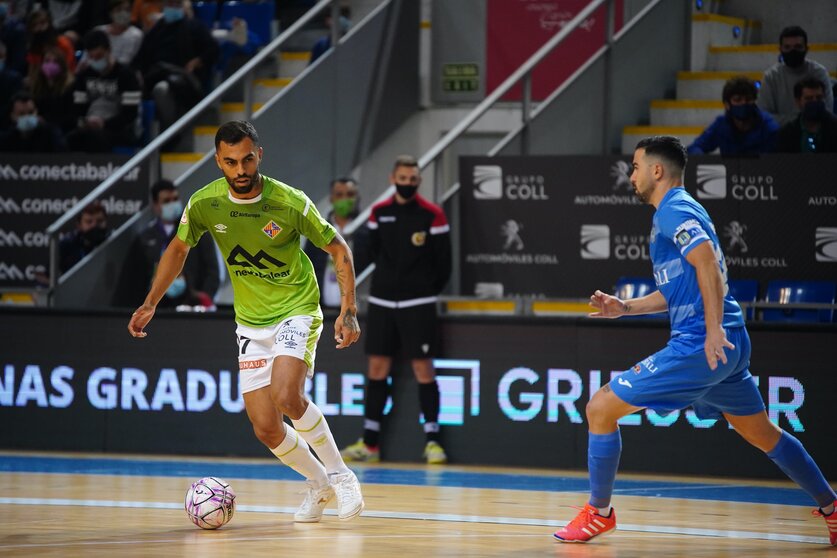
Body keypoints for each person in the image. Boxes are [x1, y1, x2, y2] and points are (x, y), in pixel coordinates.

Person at [553, 136, 837, 545]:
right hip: (729, 344)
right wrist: (625, 308)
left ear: (656, 170)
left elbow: (706, 262)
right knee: (763, 433)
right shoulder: (676, 212)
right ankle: (832, 507)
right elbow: (677, 289)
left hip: (703, 343)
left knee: (600, 408)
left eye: (634, 167)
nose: (630, 175)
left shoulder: (674, 210)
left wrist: (713, 328)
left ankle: (599, 512)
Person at [127, 120, 365, 523]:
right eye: (231, 162)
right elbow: (179, 248)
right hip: (251, 322)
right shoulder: (205, 203)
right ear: (218, 161)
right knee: (266, 428)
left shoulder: (289, 202)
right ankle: (319, 485)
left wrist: (348, 309)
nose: (241, 170)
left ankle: (342, 475)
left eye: (247, 159)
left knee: (288, 395)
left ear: (260, 155)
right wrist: (151, 301)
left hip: (296, 307)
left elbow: (339, 250)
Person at [341, 155, 452, 465]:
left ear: (419, 180)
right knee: (377, 369)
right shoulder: (379, 213)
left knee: (424, 370)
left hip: (419, 304)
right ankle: (370, 444)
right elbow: (368, 254)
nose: (407, 184)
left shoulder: (433, 215)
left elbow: (445, 264)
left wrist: (423, 290)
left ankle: (433, 442)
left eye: (412, 179)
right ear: (393, 179)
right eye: (402, 179)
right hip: (382, 303)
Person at [130, 179, 220, 308]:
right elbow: (136, 279)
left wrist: (204, 299)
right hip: (157, 308)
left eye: (175, 199)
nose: (172, 203)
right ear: (155, 206)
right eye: (166, 201)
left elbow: (212, 270)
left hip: (192, 306)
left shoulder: (197, 230)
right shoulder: (145, 238)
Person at [134, 0, 218, 133]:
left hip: (184, 78)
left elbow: (212, 50)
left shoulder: (194, 26)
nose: (173, 8)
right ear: (163, 6)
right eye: (169, 4)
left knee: (162, 89)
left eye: (176, 4)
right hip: (156, 74)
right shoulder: (157, 28)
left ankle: (171, 133)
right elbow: (142, 56)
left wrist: (196, 61)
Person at [67, 29, 142, 152]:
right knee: (71, 139)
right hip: (90, 126)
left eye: (99, 56)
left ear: (109, 51)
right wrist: (84, 122)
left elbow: (130, 114)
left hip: (120, 129)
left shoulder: (126, 75)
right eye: (91, 57)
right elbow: (78, 107)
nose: (95, 61)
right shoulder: (84, 75)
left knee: (96, 138)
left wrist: (104, 124)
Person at [304, 177, 370, 308]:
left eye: (350, 194)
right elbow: (307, 266)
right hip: (321, 307)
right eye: (339, 194)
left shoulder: (367, 232)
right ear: (331, 198)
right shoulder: (318, 230)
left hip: (356, 309)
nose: (344, 199)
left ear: (357, 197)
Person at [758, 25, 834, 126]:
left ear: (806, 49)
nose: (792, 51)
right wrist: (799, 124)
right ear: (780, 50)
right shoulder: (771, 77)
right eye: (787, 47)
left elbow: (827, 111)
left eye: (798, 47)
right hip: (780, 135)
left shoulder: (819, 72)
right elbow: (765, 115)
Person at [687, 76, 777, 155]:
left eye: (748, 99)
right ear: (727, 104)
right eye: (738, 100)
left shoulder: (768, 126)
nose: (743, 103)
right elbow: (695, 148)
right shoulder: (721, 124)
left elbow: (778, 161)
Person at [776, 77, 837, 153]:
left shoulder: (834, 127)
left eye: (819, 97)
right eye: (809, 98)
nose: (815, 102)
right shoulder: (787, 133)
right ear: (798, 101)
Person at [0, 90, 66, 151]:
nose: (27, 117)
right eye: (21, 114)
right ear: (12, 116)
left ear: (36, 112)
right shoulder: (6, 139)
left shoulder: (51, 134)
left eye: (31, 113)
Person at [58, 200, 109, 273]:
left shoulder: (114, 242)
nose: (94, 226)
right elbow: (49, 277)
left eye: (99, 221)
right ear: (79, 225)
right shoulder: (67, 245)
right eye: (89, 222)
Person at [95, 0, 144, 66]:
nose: (123, 13)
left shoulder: (135, 34)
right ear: (111, 13)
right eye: (119, 9)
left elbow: (125, 61)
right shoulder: (99, 30)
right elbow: (87, 57)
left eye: (127, 10)